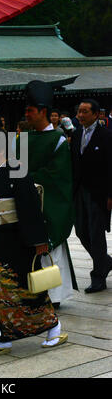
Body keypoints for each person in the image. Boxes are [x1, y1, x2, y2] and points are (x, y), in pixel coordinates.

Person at [0, 128, 67, 358]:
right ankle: (4, 337)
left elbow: (29, 207)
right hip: (0, 241)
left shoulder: (16, 169)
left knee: (27, 290)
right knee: (0, 292)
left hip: (18, 242)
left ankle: (53, 328)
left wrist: (39, 241)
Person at [24, 80, 78, 309]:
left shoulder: (58, 140)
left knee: (50, 248)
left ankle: (54, 295)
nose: (26, 115)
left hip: (49, 202)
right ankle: (32, 293)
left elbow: (58, 175)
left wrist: (28, 177)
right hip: (27, 200)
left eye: (30, 110)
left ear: (43, 112)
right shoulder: (23, 138)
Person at [71, 99, 112, 293]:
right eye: (79, 111)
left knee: (96, 234)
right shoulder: (77, 133)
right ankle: (105, 261)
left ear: (96, 114)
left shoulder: (106, 135)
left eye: (85, 112)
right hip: (79, 191)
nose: (80, 115)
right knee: (80, 231)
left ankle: (98, 277)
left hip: (98, 192)